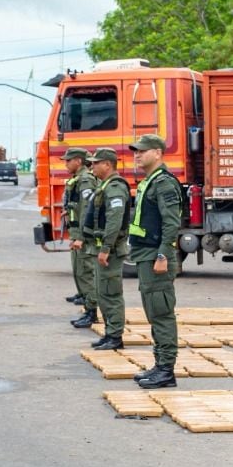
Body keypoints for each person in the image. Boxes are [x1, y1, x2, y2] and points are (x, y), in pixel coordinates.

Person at [126, 135, 184, 389]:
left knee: (161, 314)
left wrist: (162, 255)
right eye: (135, 152)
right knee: (154, 312)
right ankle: (160, 363)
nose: (136, 155)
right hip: (145, 255)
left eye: (142, 151)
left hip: (155, 256)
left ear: (158, 153)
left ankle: (166, 370)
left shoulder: (163, 183)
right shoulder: (149, 182)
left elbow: (171, 223)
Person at [85, 148, 132, 351]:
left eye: (96, 163)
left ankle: (115, 336)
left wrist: (106, 247)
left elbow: (114, 220)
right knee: (103, 292)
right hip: (102, 249)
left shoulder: (114, 188)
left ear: (107, 164)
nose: (92, 166)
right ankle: (110, 332)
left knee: (111, 294)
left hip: (110, 251)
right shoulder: (105, 185)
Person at [60, 147, 96, 318]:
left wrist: (81, 236)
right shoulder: (78, 179)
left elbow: (87, 210)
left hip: (83, 235)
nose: (65, 164)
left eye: (68, 160)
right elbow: (77, 206)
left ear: (78, 161)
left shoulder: (86, 181)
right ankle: (86, 299)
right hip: (77, 232)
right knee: (79, 269)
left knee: (86, 271)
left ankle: (91, 310)